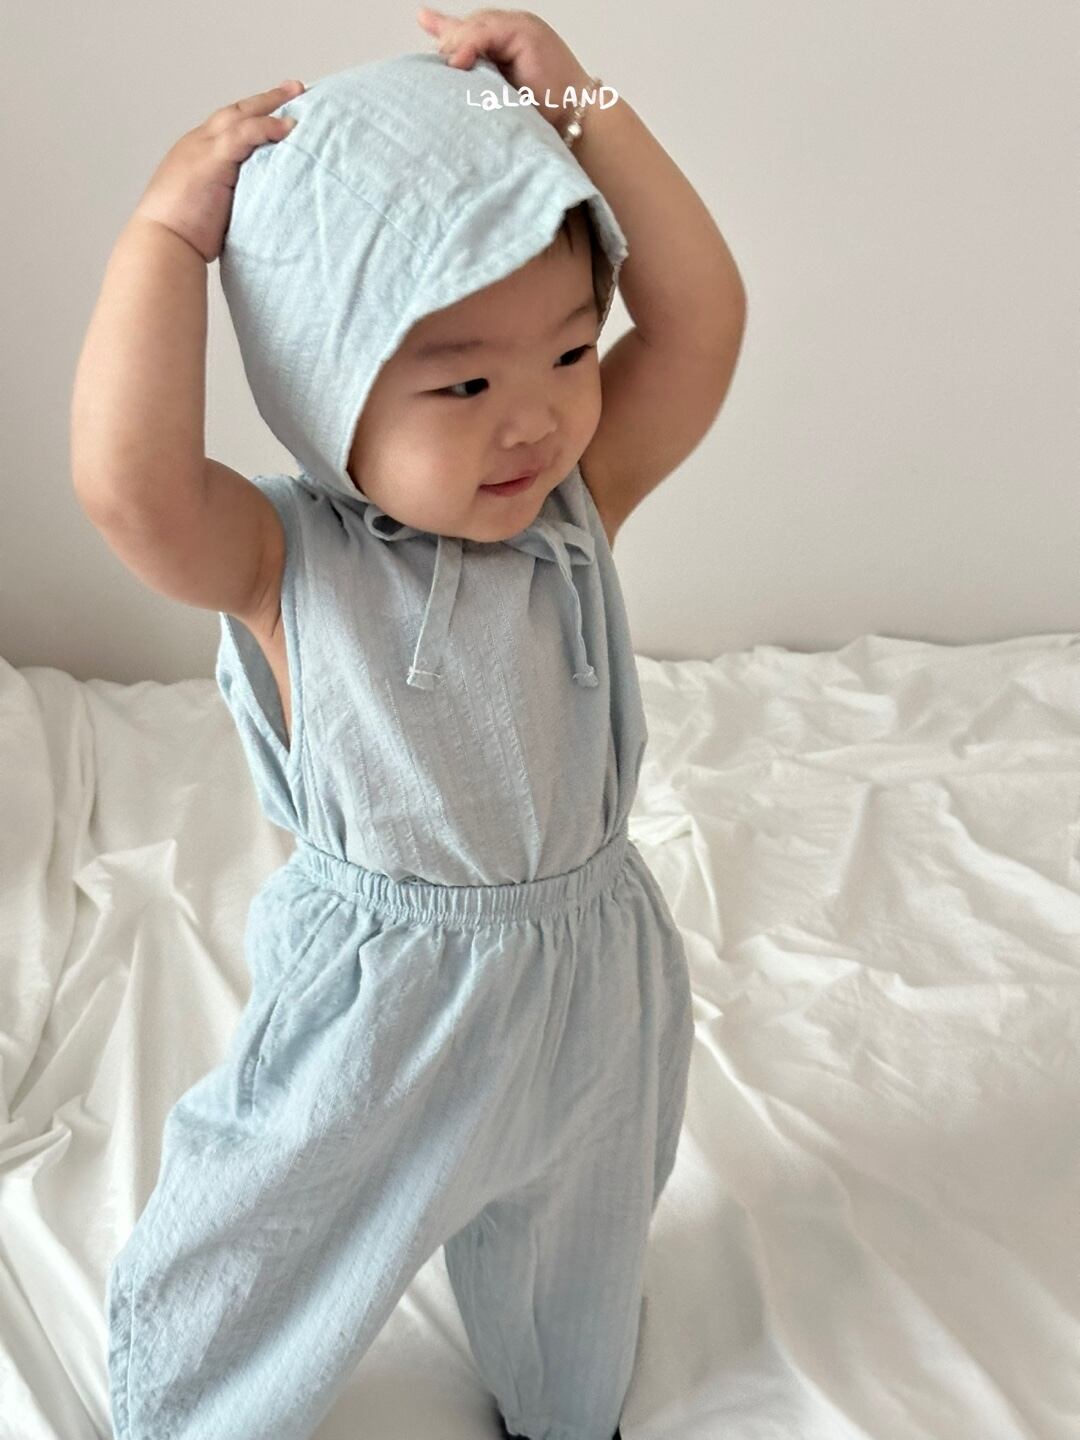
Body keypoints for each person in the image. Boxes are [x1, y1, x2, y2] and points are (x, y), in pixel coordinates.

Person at [72, 16, 744, 1438]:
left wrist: (578, 97)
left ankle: (561, 1404)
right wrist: (163, 242)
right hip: (387, 1012)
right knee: (265, 1241)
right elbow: (132, 487)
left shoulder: (574, 511)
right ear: (325, 377)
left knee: (578, 1272)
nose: (535, 421)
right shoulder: (289, 562)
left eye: (571, 351)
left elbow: (700, 316)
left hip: (595, 983)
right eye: (464, 383)